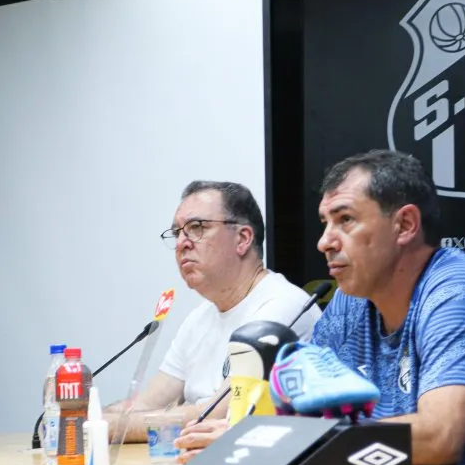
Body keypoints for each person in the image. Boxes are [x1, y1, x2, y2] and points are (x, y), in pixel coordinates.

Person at [177, 149, 465, 465]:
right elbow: (296, 413)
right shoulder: (350, 301)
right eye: (325, 223)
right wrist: (254, 433)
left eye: (345, 220)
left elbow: (439, 437)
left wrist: (279, 440)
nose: (324, 242)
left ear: (405, 224)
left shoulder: (459, 293)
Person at [105, 180, 321, 442]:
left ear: (242, 239)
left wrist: (110, 427)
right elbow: (148, 403)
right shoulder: (199, 318)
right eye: (177, 233)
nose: (182, 243)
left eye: (197, 228)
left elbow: (219, 414)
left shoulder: (281, 306)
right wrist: (88, 417)